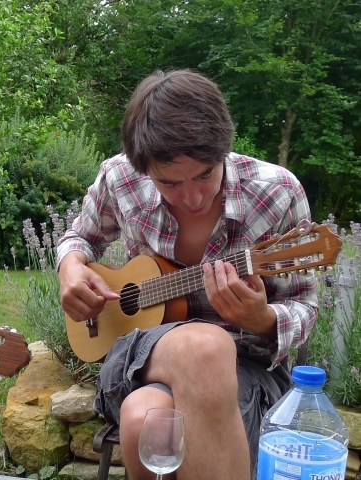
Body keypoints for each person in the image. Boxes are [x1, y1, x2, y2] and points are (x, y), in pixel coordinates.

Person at [57, 70, 318, 479]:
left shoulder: (276, 192)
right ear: (143, 169)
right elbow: (79, 236)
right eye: (170, 183)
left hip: (247, 365)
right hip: (137, 353)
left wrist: (264, 320)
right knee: (205, 346)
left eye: (205, 176)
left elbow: (304, 303)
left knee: (146, 418)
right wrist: (70, 268)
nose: (192, 197)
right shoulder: (119, 178)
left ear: (224, 151)